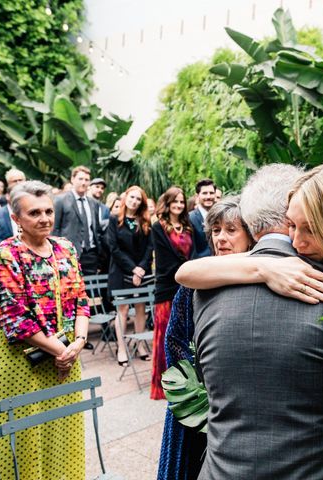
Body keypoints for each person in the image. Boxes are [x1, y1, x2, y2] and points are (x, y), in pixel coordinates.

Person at [176, 162, 323, 479]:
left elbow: (207, 380)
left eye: (308, 229)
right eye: (294, 226)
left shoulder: (205, 290)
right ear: (287, 217)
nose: (298, 241)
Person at [0, 180, 90, 480]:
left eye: (48, 211)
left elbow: (81, 300)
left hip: (65, 358)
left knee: (62, 435)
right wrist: (63, 351)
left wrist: (79, 342)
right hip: (23, 364)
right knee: (21, 442)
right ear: (16, 218)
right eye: (34, 213)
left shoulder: (65, 248)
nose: (44, 218)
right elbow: (14, 318)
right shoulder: (6, 254)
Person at [157, 195, 254, 480]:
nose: (221, 238)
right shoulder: (196, 280)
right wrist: (200, 388)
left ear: (250, 234)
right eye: (216, 230)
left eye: (231, 230)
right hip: (197, 398)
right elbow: (174, 340)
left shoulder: (262, 277)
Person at [151, 187, 195, 399]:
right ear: (167, 203)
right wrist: (186, 269)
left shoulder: (189, 226)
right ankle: (164, 385)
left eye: (181, 201)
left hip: (188, 284)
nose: (178, 205)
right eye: (174, 201)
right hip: (167, 285)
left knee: (185, 335)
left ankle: (186, 381)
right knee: (165, 335)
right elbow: (164, 257)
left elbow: (194, 252)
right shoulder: (158, 227)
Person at [106, 186, 153, 366]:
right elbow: (114, 248)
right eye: (132, 197)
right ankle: (122, 348)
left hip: (142, 272)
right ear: (125, 198)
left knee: (141, 308)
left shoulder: (145, 220)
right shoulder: (114, 219)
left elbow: (150, 247)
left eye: (138, 199)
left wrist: (141, 268)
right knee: (123, 310)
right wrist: (133, 269)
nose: (134, 201)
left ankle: (140, 345)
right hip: (120, 271)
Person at [53, 166, 104, 275]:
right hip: (68, 254)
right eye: (80, 179)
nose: (84, 183)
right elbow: (55, 229)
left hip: (91, 254)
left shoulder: (94, 203)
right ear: (72, 179)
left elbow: (97, 230)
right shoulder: (60, 200)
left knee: (92, 290)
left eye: (86, 180)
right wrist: (58, 254)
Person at [188, 178, 215, 259]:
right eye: (205, 193)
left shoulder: (220, 216)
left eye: (211, 193)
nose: (208, 196)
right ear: (197, 196)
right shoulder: (190, 218)